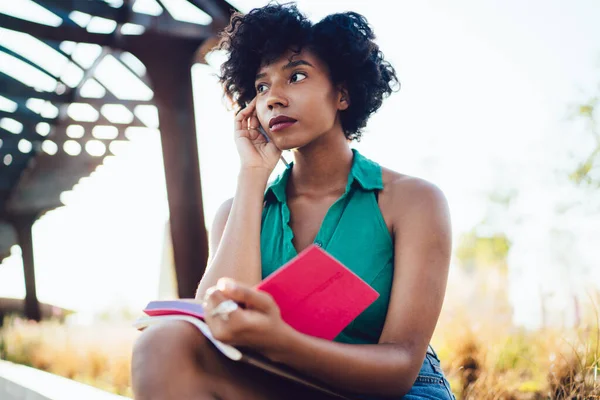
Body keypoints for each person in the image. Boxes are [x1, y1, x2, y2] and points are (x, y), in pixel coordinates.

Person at [131, 3, 454, 399]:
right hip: (285, 383)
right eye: (262, 86)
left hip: (391, 391)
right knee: (162, 343)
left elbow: (400, 368)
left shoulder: (413, 201)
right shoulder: (238, 211)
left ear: (343, 94)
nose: (273, 99)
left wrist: (282, 340)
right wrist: (252, 176)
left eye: (296, 76)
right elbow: (212, 331)